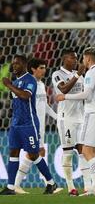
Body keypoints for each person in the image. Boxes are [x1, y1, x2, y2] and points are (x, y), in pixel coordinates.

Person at [56, 47, 95, 196]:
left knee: (86, 151)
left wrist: (65, 97)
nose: (80, 61)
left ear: (87, 59)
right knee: (93, 150)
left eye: (81, 58)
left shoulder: (91, 73)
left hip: (92, 114)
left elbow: (86, 95)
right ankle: (94, 187)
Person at [0, 55, 57, 195]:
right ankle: (11, 187)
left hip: (28, 124)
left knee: (33, 154)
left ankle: (51, 182)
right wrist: (11, 85)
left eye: (17, 64)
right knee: (13, 153)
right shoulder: (17, 81)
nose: (14, 66)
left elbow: (25, 96)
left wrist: (8, 85)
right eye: (13, 64)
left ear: (25, 65)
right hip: (15, 124)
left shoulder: (30, 80)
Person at [14, 58, 62, 194]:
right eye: (41, 68)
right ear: (33, 69)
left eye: (45, 67)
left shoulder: (40, 84)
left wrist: (57, 118)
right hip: (31, 124)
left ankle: (16, 185)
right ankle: (49, 183)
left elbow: (45, 106)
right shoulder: (28, 83)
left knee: (35, 153)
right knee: (36, 152)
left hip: (40, 125)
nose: (44, 70)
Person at [51, 50, 88, 196]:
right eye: (73, 58)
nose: (76, 60)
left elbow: (85, 94)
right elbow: (64, 89)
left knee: (83, 152)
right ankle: (71, 187)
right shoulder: (57, 74)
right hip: (66, 119)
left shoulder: (80, 76)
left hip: (81, 117)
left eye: (77, 58)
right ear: (65, 59)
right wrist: (78, 74)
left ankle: (87, 186)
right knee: (68, 152)